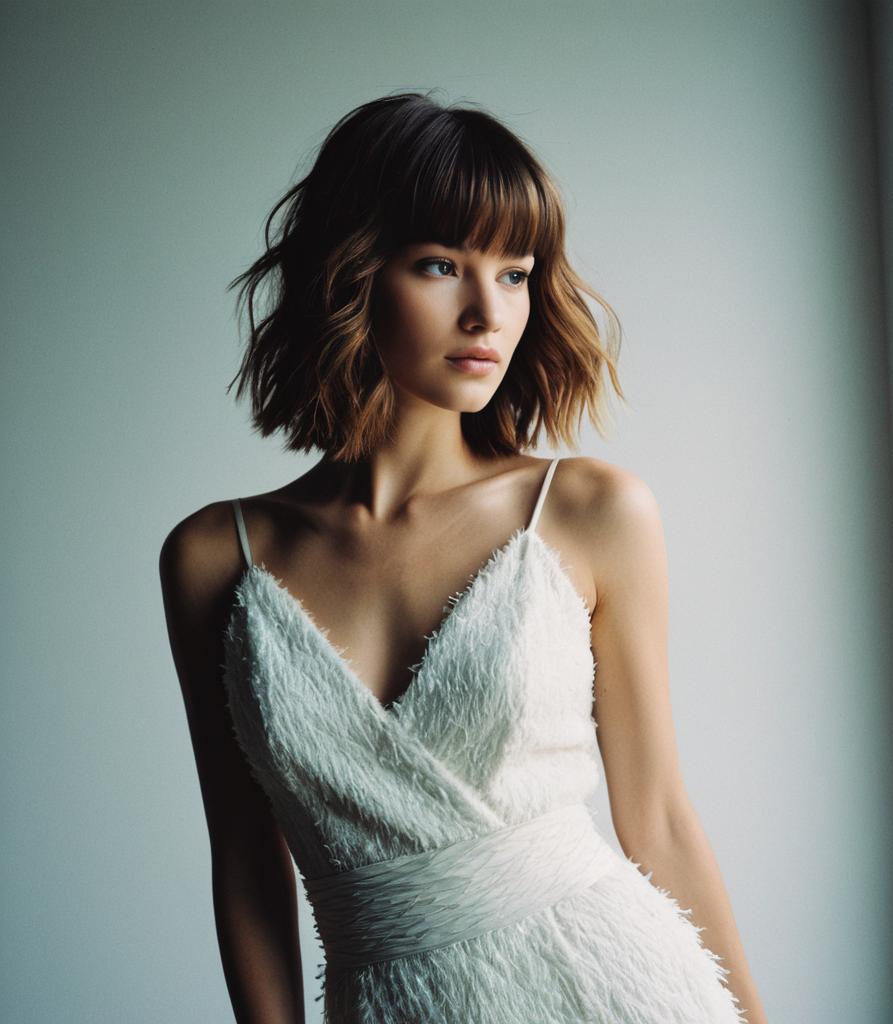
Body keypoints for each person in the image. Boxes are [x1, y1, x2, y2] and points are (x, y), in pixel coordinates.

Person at [160, 90, 765, 1024]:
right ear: (350, 274)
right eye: (441, 265)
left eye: (516, 273)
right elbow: (246, 866)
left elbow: (661, 823)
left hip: (616, 988)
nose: (488, 312)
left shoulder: (592, 513)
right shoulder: (214, 557)